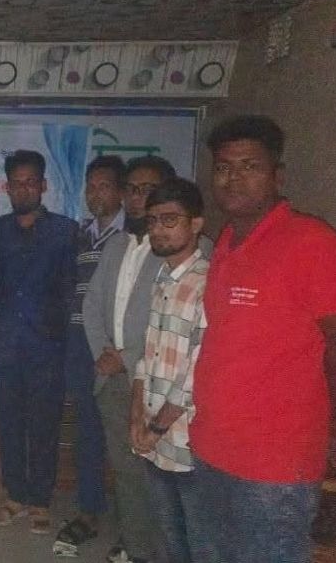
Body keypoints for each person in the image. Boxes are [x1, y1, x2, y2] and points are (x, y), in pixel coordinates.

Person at [190, 115, 336, 562]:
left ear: (278, 176)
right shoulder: (227, 242)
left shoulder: (313, 243)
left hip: (273, 465)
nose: (233, 178)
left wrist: (323, 409)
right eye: (224, 167)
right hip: (212, 446)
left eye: (249, 166)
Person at [83, 155, 211, 563]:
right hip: (123, 380)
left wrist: (124, 358)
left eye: (148, 191)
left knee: (174, 488)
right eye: (132, 190)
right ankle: (135, 546)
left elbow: (195, 352)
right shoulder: (118, 243)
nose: (138, 199)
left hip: (173, 399)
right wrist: (105, 355)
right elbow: (92, 304)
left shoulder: (193, 257)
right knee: (127, 470)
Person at [0, 150, 78, 533]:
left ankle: (40, 500)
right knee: (9, 424)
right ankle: (15, 495)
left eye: (31, 182)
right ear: (7, 188)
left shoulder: (65, 231)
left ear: (43, 185)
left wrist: (67, 341)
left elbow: (71, 292)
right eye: (17, 183)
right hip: (4, 347)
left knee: (45, 425)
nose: (24, 189)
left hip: (48, 347)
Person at [128, 178, 212, 563]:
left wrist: (156, 427)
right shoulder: (162, 277)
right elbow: (148, 356)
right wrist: (136, 418)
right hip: (154, 435)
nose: (158, 230)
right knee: (168, 538)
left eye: (170, 220)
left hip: (187, 440)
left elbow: (197, 371)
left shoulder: (208, 282)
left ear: (196, 224)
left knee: (198, 543)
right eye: (152, 221)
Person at [54, 156, 125, 555]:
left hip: (115, 350)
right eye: (91, 187)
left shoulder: (133, 236)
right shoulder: (80, 235)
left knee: (124, 434)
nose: (96, 194)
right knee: (87, 431)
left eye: (104, 186)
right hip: (79, 344)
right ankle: (89, 510)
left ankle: (135, 523)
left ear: (120, 191)